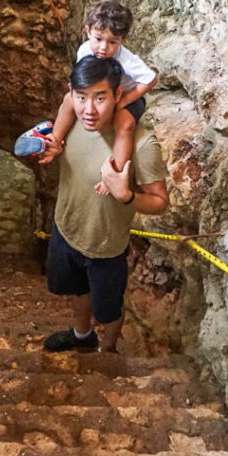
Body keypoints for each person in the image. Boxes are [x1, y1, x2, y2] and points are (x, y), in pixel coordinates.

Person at [42, 55, 170, 354]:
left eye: (100, 98)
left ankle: (109, 349)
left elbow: (160, 202)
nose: (88, 109)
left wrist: (126, 196)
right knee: (76, 289)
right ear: (71, 93)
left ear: (118, 95)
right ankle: (82, 334)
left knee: (108, 309)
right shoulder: (71, 121)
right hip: (66, 228)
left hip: (106, 247)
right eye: (81, 97)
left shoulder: (141, 143)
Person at [39, 0, 157, 196]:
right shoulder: (85, 50)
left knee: (125, 123)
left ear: (122, 39)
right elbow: (82, 78)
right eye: (98, 39)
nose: (104, 47)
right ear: (87, 31)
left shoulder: (126, 59)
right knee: (69, 99)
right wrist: (80, 97)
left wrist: (124, 101)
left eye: (113, 42)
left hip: (126, 96)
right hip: (100, 91)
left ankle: (114, 174)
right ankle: (55, 140)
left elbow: (150, 79)